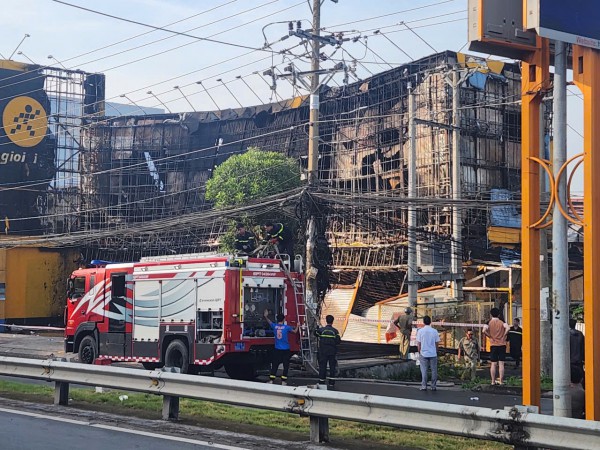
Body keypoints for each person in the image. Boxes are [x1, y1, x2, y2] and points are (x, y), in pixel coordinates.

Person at [264, 309, 298, 385]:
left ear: (277, 319)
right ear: (284, 319)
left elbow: (270, 322)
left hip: (277, 349)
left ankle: (271, 380)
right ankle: (283, 381)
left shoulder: (275, 326)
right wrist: (298, 326)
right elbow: (295, 332)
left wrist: (266, 316)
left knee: (275, 364)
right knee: (286, 365)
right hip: (286, 349)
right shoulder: (287, 327)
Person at [483, 307, 510, 385]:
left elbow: (483, 331)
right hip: (502, 344)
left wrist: (490, 336)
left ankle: (492, 381)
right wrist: (503, 335)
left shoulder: (488, 322)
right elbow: (508, 328)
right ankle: (501, 381)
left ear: (491, 314)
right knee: (501, 363)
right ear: (498, 314)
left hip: (493, 344)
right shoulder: (502, 322)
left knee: (493, 363)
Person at [315, 314, 341, 388]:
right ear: (332, 322)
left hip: (323, 351)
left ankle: (321, 381)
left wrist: (317, 328)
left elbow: (315, 333)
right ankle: (331, 382)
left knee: (322, 366)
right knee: (332, 367)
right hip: (332, 351)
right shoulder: (335, 331)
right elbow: (338, 341)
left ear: (326, 321)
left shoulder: (321, 330)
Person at [416, 315, 440, 391]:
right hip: (433, 353)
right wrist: (436, 351)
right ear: (430, 322)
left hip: (423, 353)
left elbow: (419, 343)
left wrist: (419, 351)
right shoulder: (434, 331)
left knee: (424, 370)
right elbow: (437, 343)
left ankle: (424, 386)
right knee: (434, 370)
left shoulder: (420, 331)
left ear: (423, 322)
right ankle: (433, 386)